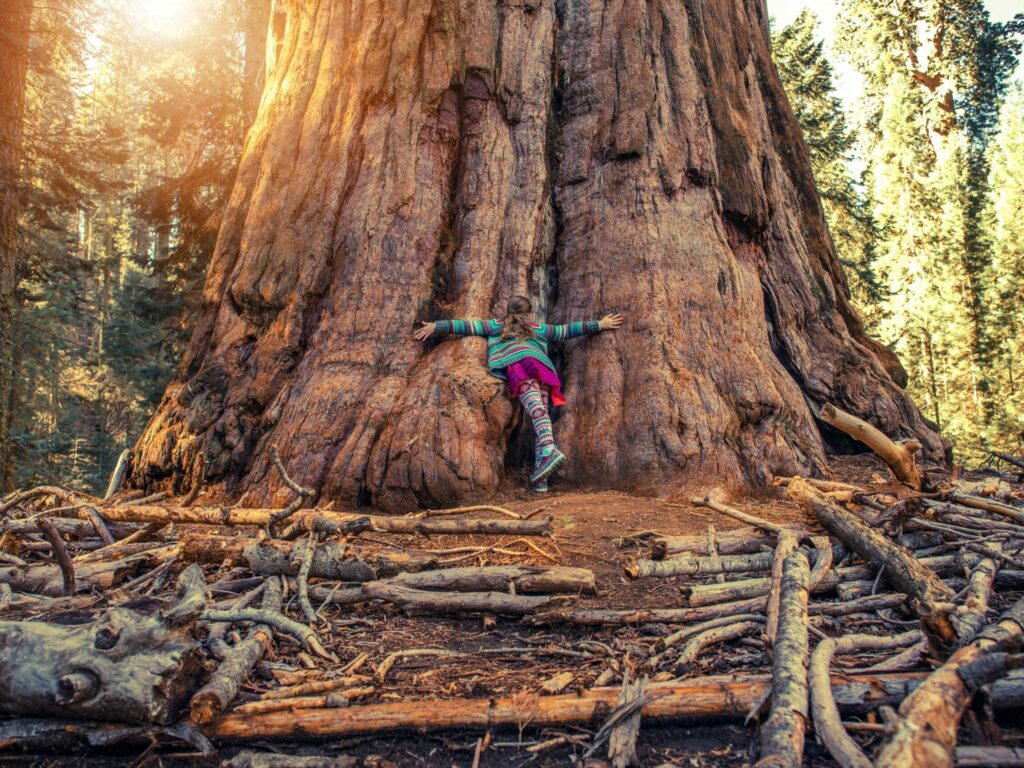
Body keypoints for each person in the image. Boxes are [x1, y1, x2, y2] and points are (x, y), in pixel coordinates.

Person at [414, 296, 623, 492]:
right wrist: (599, 324)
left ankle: (549, 450)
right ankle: (541, 480)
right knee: (541, 414)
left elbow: (466, 326)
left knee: (536, 410)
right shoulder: (538, 328)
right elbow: (566, 330)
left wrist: (436, 325)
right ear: (530, 314)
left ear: (508, 311)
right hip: (540, 367)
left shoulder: (497, 326)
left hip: (519, 368)